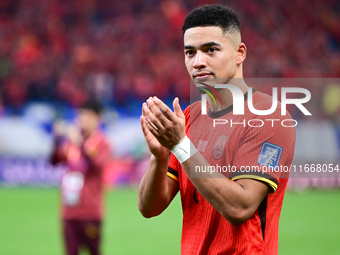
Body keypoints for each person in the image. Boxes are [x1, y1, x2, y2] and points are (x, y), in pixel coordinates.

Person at [138, 4, 295, 255]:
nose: (198, 62)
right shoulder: (189, 118)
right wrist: (159, 157)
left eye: (210, 50)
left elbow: (241, 208)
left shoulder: (269, 117)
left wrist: (180, 146)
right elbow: (149, 208)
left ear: (239, 53)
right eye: (190, 52)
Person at [51, 99, 111, 255]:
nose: (83, 120)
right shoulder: (71, 142)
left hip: (90, 211)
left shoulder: (102, 143)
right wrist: (56, 140)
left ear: (98, 119)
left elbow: (96, 166)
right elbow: (54, 161)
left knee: (94, 251)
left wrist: (80, 143)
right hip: (69, 211)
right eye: (81, 115)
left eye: (88, 116)